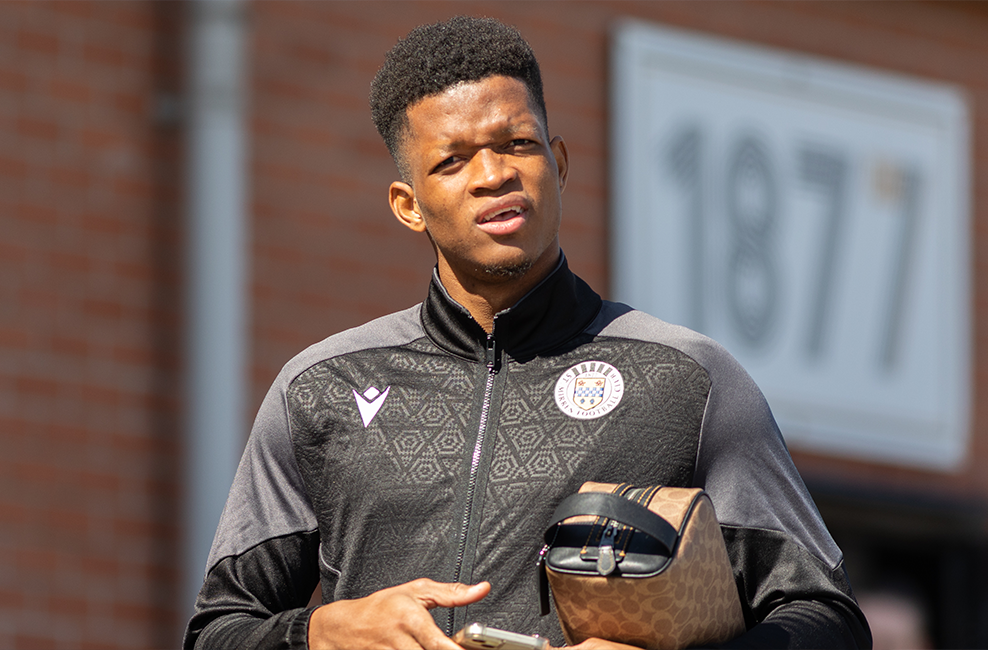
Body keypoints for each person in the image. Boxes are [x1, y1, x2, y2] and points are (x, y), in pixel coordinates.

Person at [183, 16, 871, 650]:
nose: (494, 175)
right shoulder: (320, 390)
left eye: (518, 144)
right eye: (451, 161)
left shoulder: (689, 380)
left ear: (560, 163)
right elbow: (217, 631)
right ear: (408, 206)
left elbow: (827, 621)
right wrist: (321, 632)